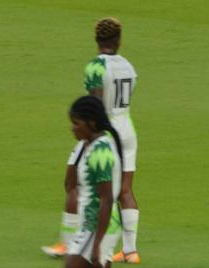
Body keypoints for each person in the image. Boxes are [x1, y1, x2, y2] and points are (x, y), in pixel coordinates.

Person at [82, 18, 138, 265]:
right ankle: (131, 251)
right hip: (128, 128)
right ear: (119, 40)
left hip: (108, 132)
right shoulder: (128, 65)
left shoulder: (95, 66)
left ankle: (102, 247)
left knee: (107, 193)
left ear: (97, 40)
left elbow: (95, 104)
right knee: (126, 190)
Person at [63, 95, 124, 268]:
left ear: (92, 122)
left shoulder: (100, 153)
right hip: (91, 224)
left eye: (76, 123)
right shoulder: (89, 145)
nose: (72, 128)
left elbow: (106, 198)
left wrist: (97, 244)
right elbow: (69, 184)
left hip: (98, 225)